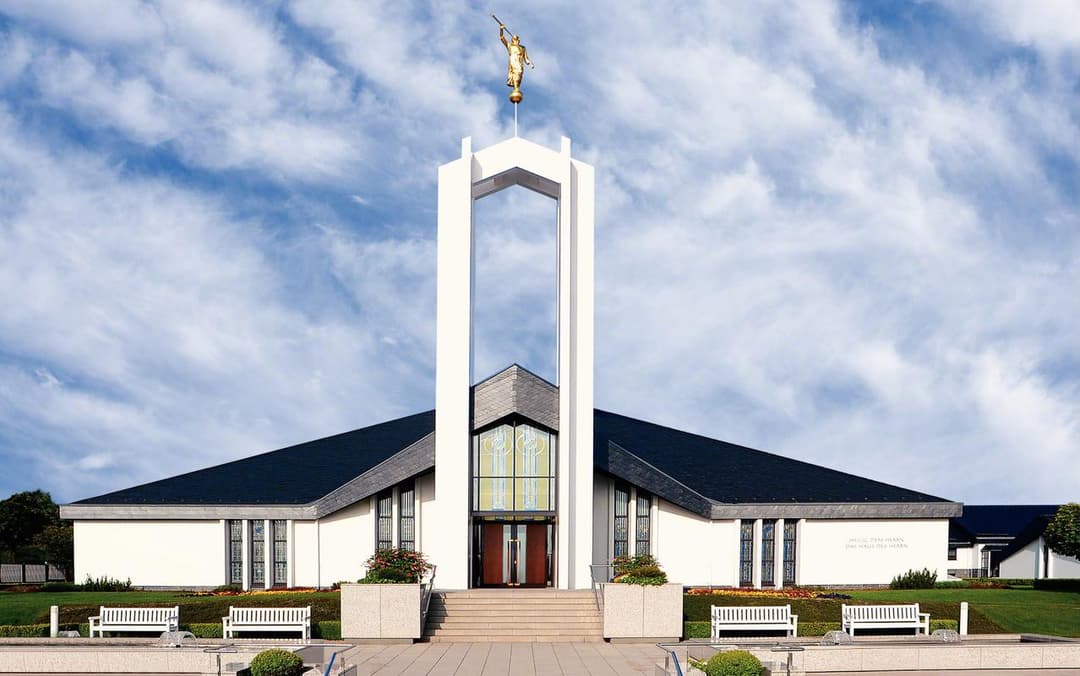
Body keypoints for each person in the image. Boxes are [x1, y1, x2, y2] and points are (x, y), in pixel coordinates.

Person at [499, 24, 534, 92]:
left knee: (520, 73)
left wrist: (530, 63)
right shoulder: (510, 46)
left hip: (520, 63)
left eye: (516, 39)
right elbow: (502, 38)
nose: (515, 40)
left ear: (518, 40)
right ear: (512, 40)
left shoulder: (522, 48)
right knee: (516, 73)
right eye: (513, 39)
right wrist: (501, 29)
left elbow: (526, 58)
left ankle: (516, 88)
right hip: (513, 63)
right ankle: (516, 89)